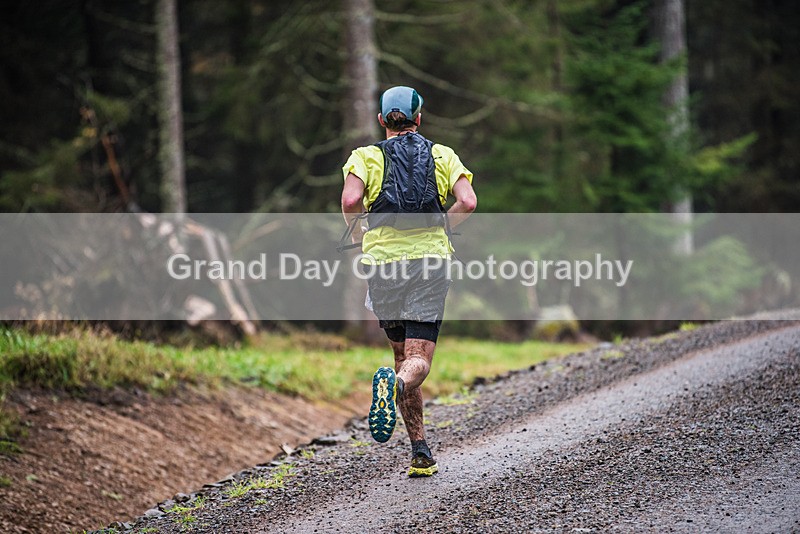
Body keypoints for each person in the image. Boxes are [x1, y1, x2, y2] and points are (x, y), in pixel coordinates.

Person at [341, 85, 477, 477]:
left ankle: (420, 451)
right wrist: (443, 226)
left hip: (383, 266)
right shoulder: (442, 154)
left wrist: (356, 235)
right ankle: (395, 387)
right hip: (430, 264)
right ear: (420, 118)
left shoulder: (364, 157)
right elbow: (468, 201)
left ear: (382, 120)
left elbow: (351, 202)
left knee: (401, 357)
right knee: (417, 362)